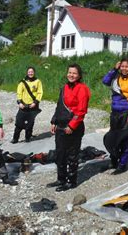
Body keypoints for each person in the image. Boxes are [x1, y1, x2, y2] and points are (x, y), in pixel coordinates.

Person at [47, 63, 91, 192]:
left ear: (79, 75)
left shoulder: (82, 89)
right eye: (69, 72)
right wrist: (54, 121)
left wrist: (72, 126)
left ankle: (71, 181)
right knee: (60, 154)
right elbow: (59, 105)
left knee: (72, 155)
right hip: (60, 126)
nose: (71, 75)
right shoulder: (64, 87)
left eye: (74, 73)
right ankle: (61, 179)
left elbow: (81, 111)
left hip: (74, 128)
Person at [102, 58, 128, 174]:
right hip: (115, 113)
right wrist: (114, 69)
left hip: (126, 113)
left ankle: (123, 163)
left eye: (127, 66)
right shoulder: (116, 77)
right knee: (114, 137)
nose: (124, 69)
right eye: (122, 66)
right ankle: (114, 160)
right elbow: (105, 81)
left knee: (124, 139)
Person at [11, 67, 43, 143]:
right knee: (19, 123)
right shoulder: (22, 82)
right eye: (29, 72)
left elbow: (40, 93)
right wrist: (20, 103)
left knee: (30, 124)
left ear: (34, 72)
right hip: (23, 106)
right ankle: (15, 139)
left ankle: (27, 138)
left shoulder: (38, 81)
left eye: (32, 72)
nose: (30, 73)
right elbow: (19, 93)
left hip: (33, 106)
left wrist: (35, 102)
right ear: (27, 73)